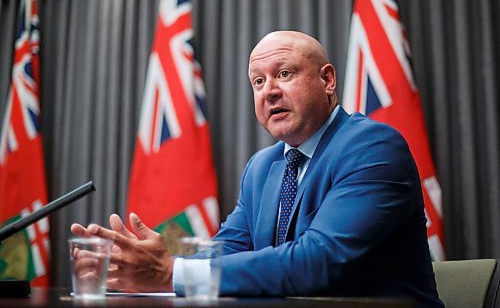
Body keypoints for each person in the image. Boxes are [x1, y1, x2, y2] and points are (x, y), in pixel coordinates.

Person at [71, 31, 443, 307]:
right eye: (258, 81)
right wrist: (141, 266)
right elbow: (226, 250)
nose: (269, 91)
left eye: (284, 73)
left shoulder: (372, 147)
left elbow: (318, 261)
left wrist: (169, 272)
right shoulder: (263, 167)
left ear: (328, 81)